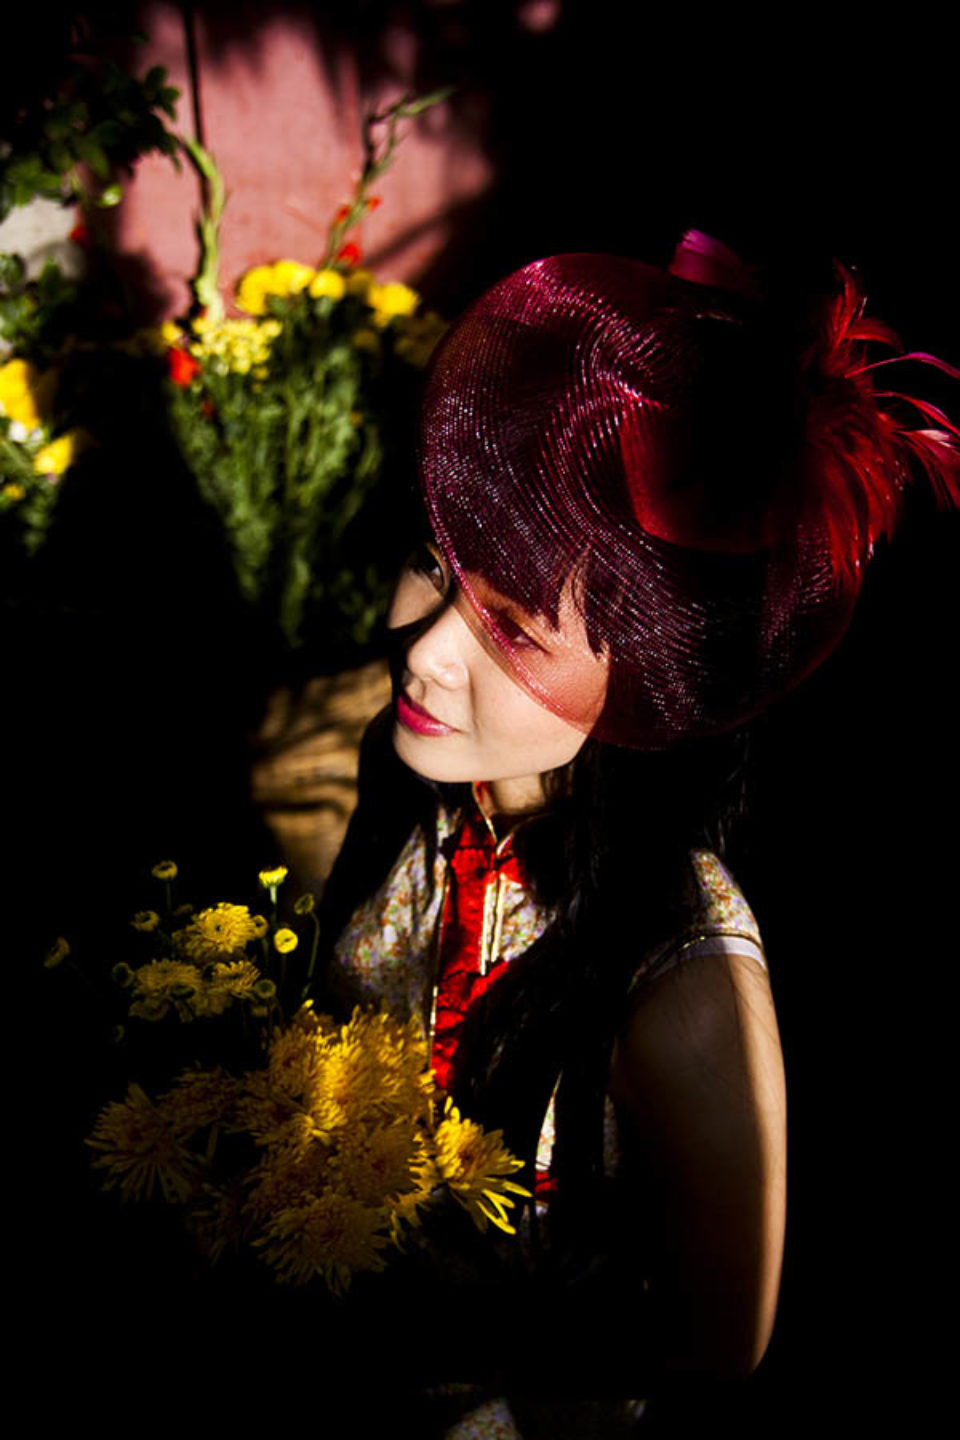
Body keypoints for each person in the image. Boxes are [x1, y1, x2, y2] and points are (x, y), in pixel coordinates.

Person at [318, 234, 958, 1431]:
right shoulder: (421, 780)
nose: (425, 650)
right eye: (431, 563)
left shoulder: (681, 976)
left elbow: (725, 1345)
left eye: (512, 631)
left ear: (646, 686)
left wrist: (432, 1323)